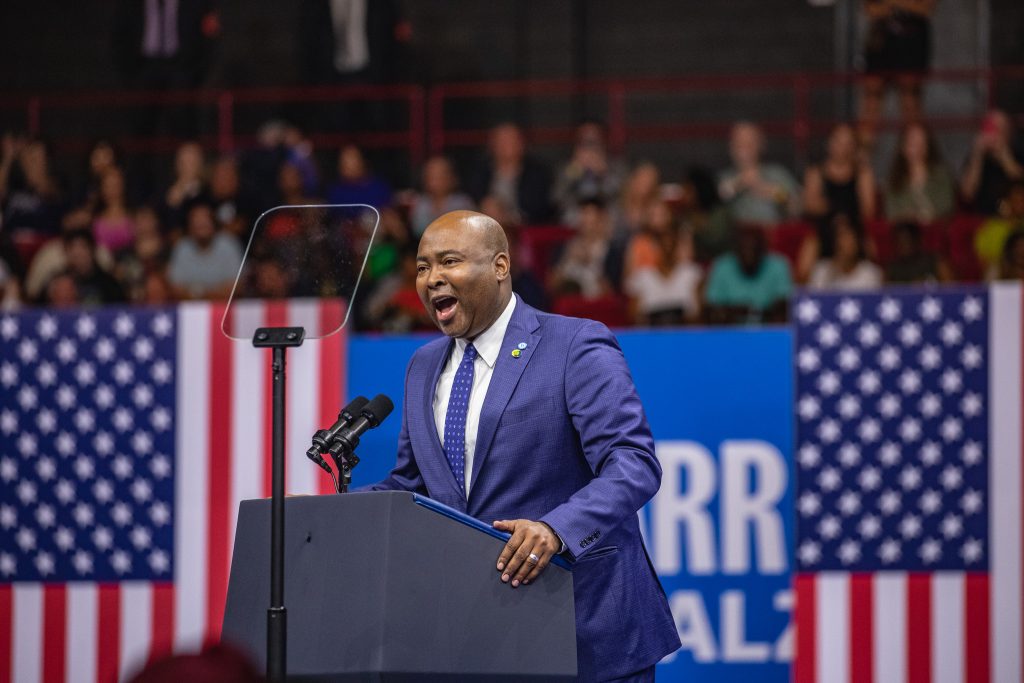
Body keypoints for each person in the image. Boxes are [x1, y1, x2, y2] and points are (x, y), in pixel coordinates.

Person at [363, 210, 680, 681]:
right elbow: (413, 481)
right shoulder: (423, 364)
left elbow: (632, 463)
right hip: (479, 634)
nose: (432, 279)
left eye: (449, 261)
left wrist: (555, 529)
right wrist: (331, 514)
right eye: (423, 267)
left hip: (584, 626)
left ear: (500, 267)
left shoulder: (574, 343)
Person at [858, 0, 936, 146]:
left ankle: (915, 157)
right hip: (881, 38)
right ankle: (861, 157)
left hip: (913, 39)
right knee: (871, 99)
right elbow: (870, 10)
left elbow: (926, 8)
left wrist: (891, 5)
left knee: (910, 101)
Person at [717, 121, 801, 227]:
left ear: (761, 144)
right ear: (731, 147)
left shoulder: (777, 174)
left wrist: (775, 193)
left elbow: (797, 208)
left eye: (749, 143)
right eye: (739, 143)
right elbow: (713, 203)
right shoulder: (723, 178)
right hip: (735, 238)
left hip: (772, 234)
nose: (744, 148)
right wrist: (739, 183)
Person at [467, 123, 553, 224]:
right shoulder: (481, 171)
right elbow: (472, 197)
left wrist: (509, 217)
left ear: (522, 144)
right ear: (492, 145)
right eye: (502, 141)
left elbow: (538, 208)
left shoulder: (537, 173)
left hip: (523, 227)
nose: (507, 145)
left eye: (512, 140)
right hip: (483, 224)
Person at [704, 225, 793, 323]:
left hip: (768, 331)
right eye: (744, 248)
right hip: (730, 332)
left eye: (754, 248)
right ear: (735, 250)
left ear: (763, 249)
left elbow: (785, 305)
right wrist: (742, 311)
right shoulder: (721, 265)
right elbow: (712, 308)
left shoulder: (779, 265)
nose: (749, 254)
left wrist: (753, 313)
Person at [553, 120, 628, 225]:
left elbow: (625, 196)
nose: (589, 148)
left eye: (593, 142)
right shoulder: (567, 168)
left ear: (603, 142)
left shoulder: (616, 166)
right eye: (584, 142)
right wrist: (575, 170)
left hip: (608, 223)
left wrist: (604, 173)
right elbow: (558, 198)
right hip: (576, 222)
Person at [802, 123, 877, 225]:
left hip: (854, 228)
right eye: (838, 141)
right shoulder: (816, 172)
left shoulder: (863, 173)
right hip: (823, 229)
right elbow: (810, 206)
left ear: (854, 147)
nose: (842, 148)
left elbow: (868, 210)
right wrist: (836, 210)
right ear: (829, 142)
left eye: (848, 143)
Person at [167, 202, 242, 299]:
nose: (201, 225)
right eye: (197, 222)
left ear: (214, 224)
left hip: (223, 308)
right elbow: (175, 288)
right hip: (190, 310)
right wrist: (211, 294)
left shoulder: (228, 245)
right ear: (189, 227)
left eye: (205, 221)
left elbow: (236, 287)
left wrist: (200, 294)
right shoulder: (182, 247)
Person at [884, 122, 955, 224]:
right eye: (912, 142)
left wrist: (925, 215)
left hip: (936, 233)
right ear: (903, 146)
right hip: (906, 234)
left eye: (921, 142)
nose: (918, 147)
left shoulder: (941, 175)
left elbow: (947, 206)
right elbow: (891, 212)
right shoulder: (894, 179)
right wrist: (909, 216)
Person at [960, 109, 1024, 215]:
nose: (994, 135)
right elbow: (967, 194)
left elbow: (1019, 181)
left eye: (999, 130)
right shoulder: (977, 158)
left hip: (1015, 219)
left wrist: (1005, 159)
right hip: (983, 219)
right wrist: (977, 156)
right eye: (990, 128)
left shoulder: (1018, 153)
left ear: (1008, 133)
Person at [807, 213, 884, 290]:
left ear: (857, 242)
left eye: (847, 238)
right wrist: (831, 272)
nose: (842, 244)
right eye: (839, 237)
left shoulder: (871, 273)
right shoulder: (821, 271)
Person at [409, 155, 474, 236]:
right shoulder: (421, 203)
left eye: (441, 176)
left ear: (452, 178)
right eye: (432, 176)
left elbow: (465, 230)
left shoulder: (462, 203)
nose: (436, 181)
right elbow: (418, 229)